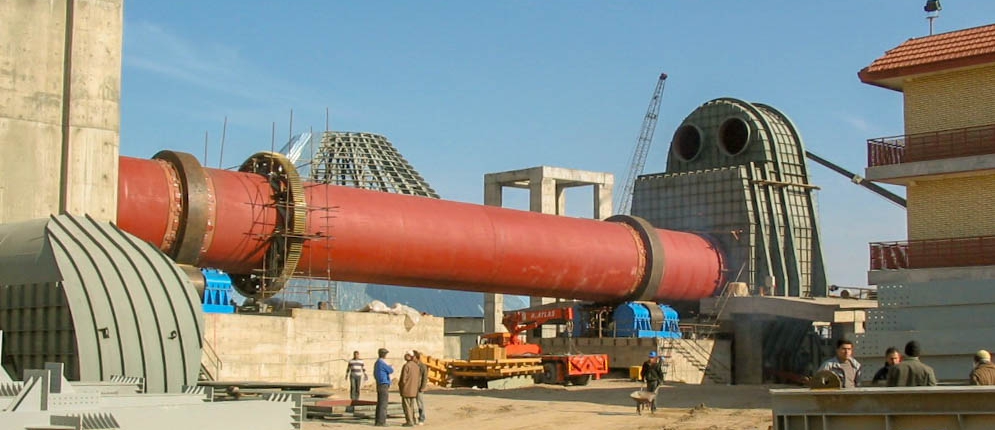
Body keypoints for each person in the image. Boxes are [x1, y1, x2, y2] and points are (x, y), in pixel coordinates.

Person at [399, 350, 423, 427]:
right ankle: (413, 419)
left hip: (406, 389)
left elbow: (403, 380)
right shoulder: (416, 366)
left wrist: (401, 387)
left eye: (406, 355)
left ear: (410, 356)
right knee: (411, 406)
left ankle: (409, 421)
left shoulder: (406, 366)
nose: (405, 356)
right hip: (414, 390)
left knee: (407, 406)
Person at [373, 348, 394, 427]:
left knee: (380, 403)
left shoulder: (377, 363)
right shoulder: (381, 363)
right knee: (383, 404)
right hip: (383, 383)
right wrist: (390, 366)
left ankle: (378, 420)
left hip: (379, 383)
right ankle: (381, 421)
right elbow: (390, 370)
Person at [413, 350, 428, 425]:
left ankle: (421, 418)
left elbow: (425, 377)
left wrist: (422, 387)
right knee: (411, 404)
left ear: (416, 357)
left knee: (420, 403)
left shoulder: (422, 366)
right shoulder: (411, 365)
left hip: (419, 388)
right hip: (412, 388)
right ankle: (412, 418)